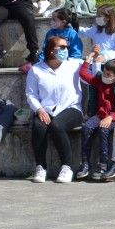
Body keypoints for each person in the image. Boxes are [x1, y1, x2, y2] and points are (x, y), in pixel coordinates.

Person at [25, 36, 84, 183]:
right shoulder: (36, 70)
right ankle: (40, 166)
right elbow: (31, 94)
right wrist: (39, 109)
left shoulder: (74, 66)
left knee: (57, 125)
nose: (66, 50)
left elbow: (92, 71)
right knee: (39, 127)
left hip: (71, 108)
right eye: (62, 47)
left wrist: (97, 59)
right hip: (45, 109)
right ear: (51, 51)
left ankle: (67, 167)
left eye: (67, 47)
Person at [75, 55, 115, 181]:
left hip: (113, 118)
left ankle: (103, 165)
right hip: (99, 115)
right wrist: (88, 60)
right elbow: (83, 74)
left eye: (109, 75)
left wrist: (111, 117)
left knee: (104, 130)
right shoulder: (99, 81)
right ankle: (85, 164)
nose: (105, 76)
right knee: (87, 127)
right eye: (104, 72)